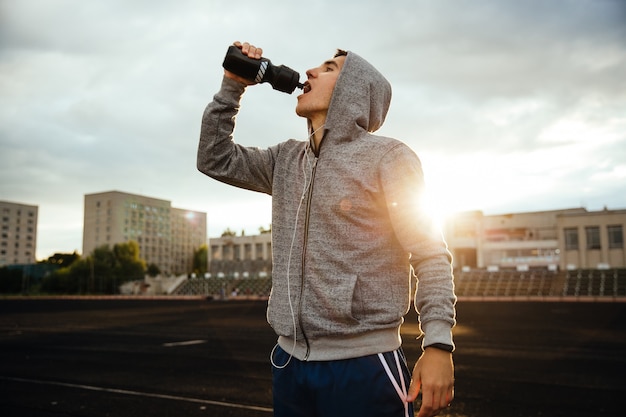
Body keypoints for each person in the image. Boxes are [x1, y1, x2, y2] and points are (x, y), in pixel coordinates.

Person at [197, 41, 456, 417]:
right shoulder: (284, 159)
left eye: (330, 67)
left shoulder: (389, 157)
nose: (311, 72)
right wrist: (233, 85)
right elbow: (213, 157)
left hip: (364, 365)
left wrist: (438, 345)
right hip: (289, 362)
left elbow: (430, 254)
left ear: (355, 90)